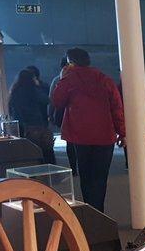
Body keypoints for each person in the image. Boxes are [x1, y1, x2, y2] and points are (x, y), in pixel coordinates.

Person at [51, 48, 125, 213]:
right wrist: (122, 132)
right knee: (100, 177)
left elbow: (57, 101)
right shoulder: (104, 79)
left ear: (71, 63)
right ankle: (99, 211)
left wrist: (62, 79)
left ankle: (90, 211)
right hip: (105, 136)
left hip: (80, 136)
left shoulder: (69, 80)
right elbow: (116, 107)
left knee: (86, 176)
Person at [8, 68, 56, 164]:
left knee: (27, 151)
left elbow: (12, 109)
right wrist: (39, 85)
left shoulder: (14, 91)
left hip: (20, 125)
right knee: (43, 149)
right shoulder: (33, 90)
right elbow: (47, 100)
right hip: (35, 124)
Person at [49, 58, 77, 175]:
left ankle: (74, 168)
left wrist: (50, 115)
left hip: (63, 115)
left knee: (70, 141)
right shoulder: (80, 79)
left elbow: (52, 99)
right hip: (76, 115)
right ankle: (80, 167)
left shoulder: (57, 80)